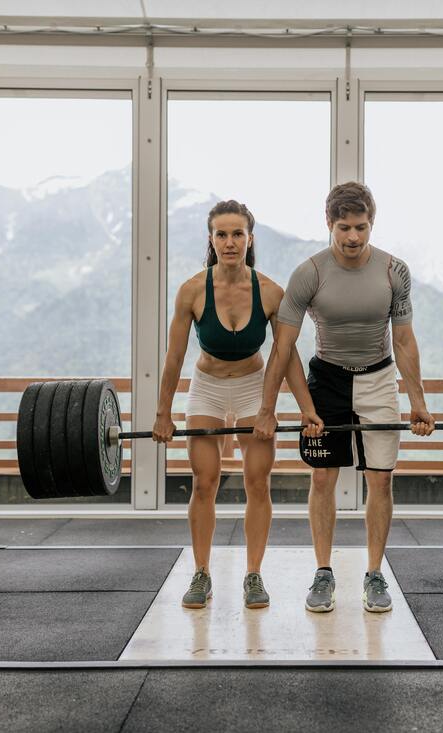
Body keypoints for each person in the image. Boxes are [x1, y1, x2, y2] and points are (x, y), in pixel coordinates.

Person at [253, 181, 435, 613]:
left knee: (381, 480)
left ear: (372, 223)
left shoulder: (395, 271)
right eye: (344, 227)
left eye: (361, 227)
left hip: (378, 377)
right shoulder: (309, 274)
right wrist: (268, 410)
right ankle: (323, 572)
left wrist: (419, 402)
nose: (353, 236)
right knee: (321, 478)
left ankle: (374, 574)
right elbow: (283, 347)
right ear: (328, 224)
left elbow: (405, 340)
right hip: (327, 380)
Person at [153, 200, 312, 610]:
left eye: (237, 234)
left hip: (252, 387)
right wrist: (162, 414)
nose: (229, 242)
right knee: (204, 482)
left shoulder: (270, 292)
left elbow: (286, 357)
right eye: (221, 234)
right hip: (206, 385)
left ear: (250, 238)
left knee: (257, 482)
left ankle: (253, 575)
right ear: (211, 239)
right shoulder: (192, 290)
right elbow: (173, 359)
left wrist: (293, 409)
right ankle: (202, 573)